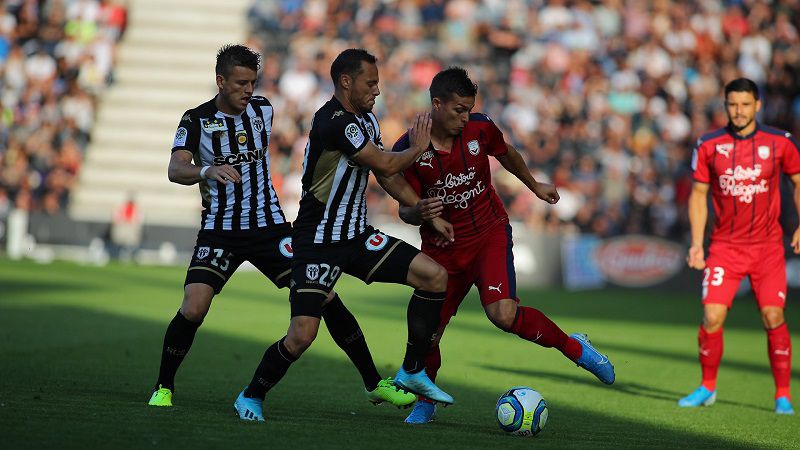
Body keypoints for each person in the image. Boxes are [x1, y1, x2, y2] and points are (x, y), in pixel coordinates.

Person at [148, 44, 416, 411]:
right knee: (194, 307)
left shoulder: (263, 109)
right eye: (240, 83)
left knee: (324, 296)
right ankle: (164, 386)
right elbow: (176, 169)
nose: (248, 90)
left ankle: (373, 383)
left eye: (252, 82)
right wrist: (207, 170)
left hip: (270, 229)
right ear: (220, 81)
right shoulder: (196, 120)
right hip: (220, 231)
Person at [233, 48, 456, 421]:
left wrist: (421, 209)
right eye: (371, 83)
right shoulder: (332, 121)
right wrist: (418, 149)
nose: (377, 91)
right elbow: (384, 162)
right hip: (317, 242)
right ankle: (251, 395)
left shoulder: (366, 120)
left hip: (356, 237)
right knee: (302, 335)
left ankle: (412, 369)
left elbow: (386, 175)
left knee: (434, 276)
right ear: (346, 82)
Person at [386, 67, 616, 424]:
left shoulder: (480, 128)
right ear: (437, 104)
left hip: (488, 234)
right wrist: (418, 212)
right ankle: (425, 401)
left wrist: (534, 185)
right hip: (442, 251)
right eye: (459, 110)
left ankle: (576, 348)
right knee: (428, 334)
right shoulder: (408, 148)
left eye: (469, 109)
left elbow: (505, 152)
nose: (466, 117)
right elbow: (405, 210)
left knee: (503, 315)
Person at [681, 77, 799, 415]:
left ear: (757, 105)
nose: (739, 111)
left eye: (745, 104)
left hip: (767, 247)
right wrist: (696, 244)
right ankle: (707, 387)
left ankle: (782, 395)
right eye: (733, 104)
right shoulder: (708, 145)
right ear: (725, 105)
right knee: (712, 315)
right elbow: (699, 195)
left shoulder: (780, 142)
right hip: (725, 247)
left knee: (773, 315)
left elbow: (798, 181)